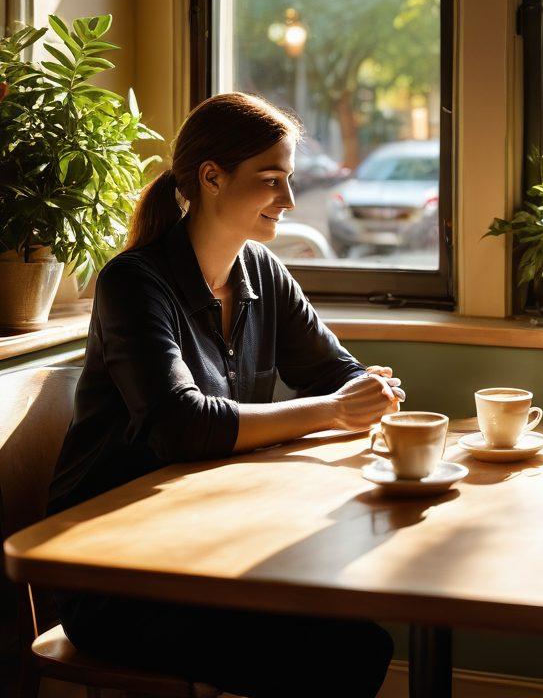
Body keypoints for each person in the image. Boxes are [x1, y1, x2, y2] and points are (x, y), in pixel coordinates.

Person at [48, 92, 403, 697]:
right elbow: (179, 425)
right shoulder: (134, 283)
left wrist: (369, 392)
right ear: (211, 177)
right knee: (349, 652)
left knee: (358, 636)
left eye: (289, 180)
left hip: (210, 551)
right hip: (117, 577)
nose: (289, 201)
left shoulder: (260, 270)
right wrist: (333, 410)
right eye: (271, 181)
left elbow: (335, 373)